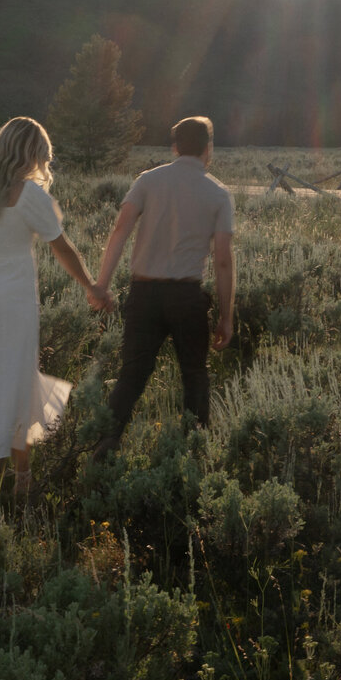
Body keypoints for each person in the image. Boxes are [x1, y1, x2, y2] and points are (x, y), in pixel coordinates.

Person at [0, 116, 107, 513]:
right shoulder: (29, 196)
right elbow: (61, 248)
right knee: (6, 392)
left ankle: (22, 478)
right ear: (31, 153)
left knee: (15, 381)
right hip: (15, 302)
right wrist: (90, 285)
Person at [90, 114, 234, 456]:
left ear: (174, 147)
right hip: (187, 297)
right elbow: (224, 259)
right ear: (208, 149)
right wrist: (227, 316)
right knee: (195, 376)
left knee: (131, 377)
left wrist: (102, 283)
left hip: (144, 295)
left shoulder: (147, 181)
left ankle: (105, 447)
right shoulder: (217, 193)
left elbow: (120, 231)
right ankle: (194, 451)